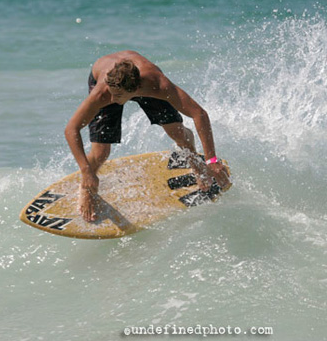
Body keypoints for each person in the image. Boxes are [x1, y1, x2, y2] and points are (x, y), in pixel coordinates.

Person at [65, 50, 230, 222]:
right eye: (111, 93)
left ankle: (194, 161)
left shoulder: (158, 85)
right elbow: (71, 129)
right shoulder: (104, 93)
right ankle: (86, 187)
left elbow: (199, 113)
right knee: (101, 152)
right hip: (109, 80)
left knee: (178, 133)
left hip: (143, 84)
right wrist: (86, 171)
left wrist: (211, 159)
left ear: (135, 90)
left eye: (117, 96)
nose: (112, 99)